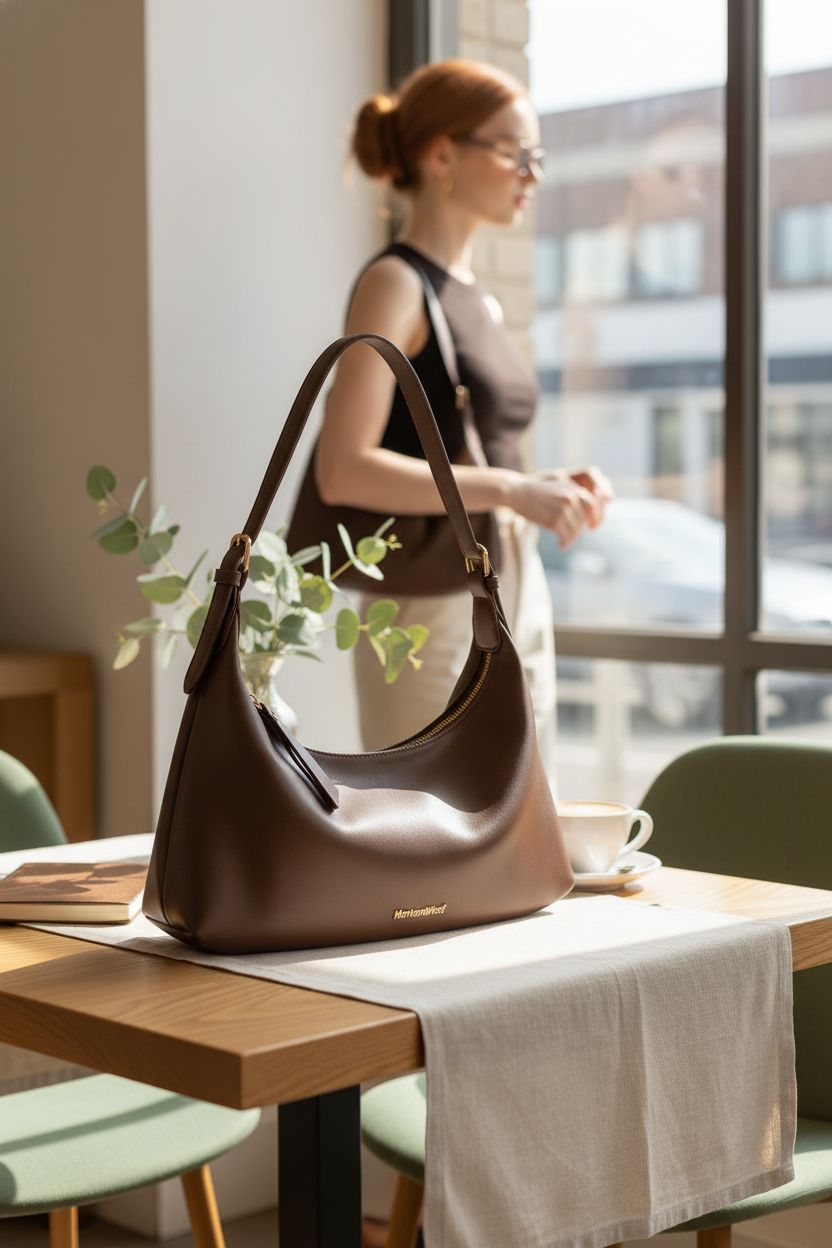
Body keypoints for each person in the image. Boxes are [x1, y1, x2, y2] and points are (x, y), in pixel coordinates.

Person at [307, 58, 612, 779]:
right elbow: (343, 466)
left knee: (515, 803)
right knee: (427, 823)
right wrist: (510, 489)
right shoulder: (395, 284)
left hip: (506, 574)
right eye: (516, 153)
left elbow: (457, 448)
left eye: (537, 157)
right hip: (429, 598)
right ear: (443, 154)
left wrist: (534, 484)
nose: (531, 175)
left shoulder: (478, 299)